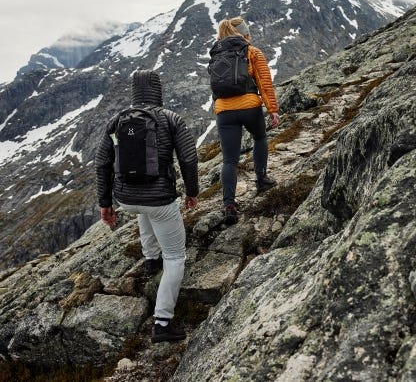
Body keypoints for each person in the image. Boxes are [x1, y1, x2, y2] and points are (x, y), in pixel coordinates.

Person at [95, 70, 199, 343]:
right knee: (176, 258)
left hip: (126, 200)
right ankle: (162, 322)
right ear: (158, 91)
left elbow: (102, 163)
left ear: (134, 92)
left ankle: (151, 260)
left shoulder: (117, 121)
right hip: (160, 199)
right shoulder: (171, 119)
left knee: (142, 210)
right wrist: (192, 192)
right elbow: (188, 158)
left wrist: (106, 204)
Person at [209, 17, 280, 225]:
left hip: (224, 111)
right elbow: (264, 82)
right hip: (250, 106)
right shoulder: (252, 51)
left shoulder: (216, 54)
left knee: (229, 160)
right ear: (245, 33)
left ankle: (229, 205)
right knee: (259, 138)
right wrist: (272, 110)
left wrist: (221, 109)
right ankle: (261, 180)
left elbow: (215, 87)